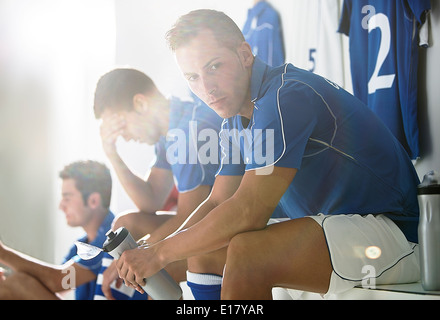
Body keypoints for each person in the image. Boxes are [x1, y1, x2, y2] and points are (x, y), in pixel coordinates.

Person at [114, 9, 422, 300]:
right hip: (339, 228)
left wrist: (160, 253)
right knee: (205, 248)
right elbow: (219, 201)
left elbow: (249, 210)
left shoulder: (284, 97)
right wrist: (158, 245)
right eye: (193, 77)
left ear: (245, 55)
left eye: (214, 67)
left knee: (249, 252)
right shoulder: (234, 119)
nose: (206, 87)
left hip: (396, 234)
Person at [93, 68, 223, 299]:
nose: (123, 136)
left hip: (230, 226)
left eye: (120, 126)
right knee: (127, 224)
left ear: (141, 104)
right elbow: (150, 201)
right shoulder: (170, 132)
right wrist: (111, 153)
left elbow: (189, 217)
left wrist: (142, 253)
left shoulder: (188, 130)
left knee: (149, 271)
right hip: (212, 222)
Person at [0, 160, 114, 300]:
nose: (61, 206)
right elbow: (54, 286)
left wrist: (2, 253)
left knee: (17, 285)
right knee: (13, 285)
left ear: (94, 201)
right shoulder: (83, 244)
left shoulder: (110, 237)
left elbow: (59, 281)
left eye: (67, 198)